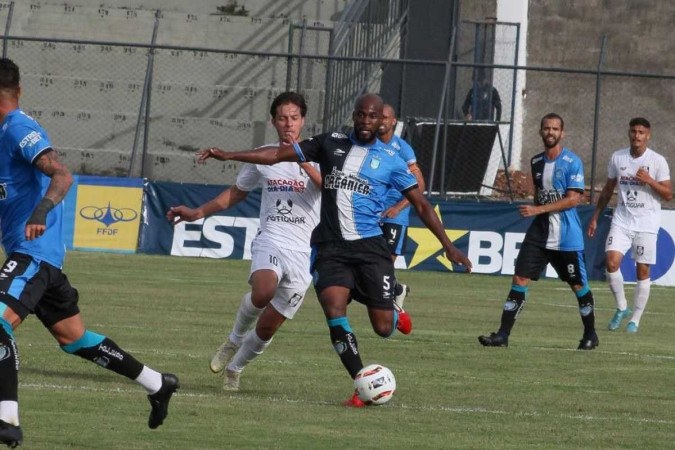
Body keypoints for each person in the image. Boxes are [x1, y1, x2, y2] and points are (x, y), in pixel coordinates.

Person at [197, 93, 472, 407]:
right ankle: (361, 384)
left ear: (382, 120)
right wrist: (229, 154)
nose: (367, 122)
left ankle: (392, 303)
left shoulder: (392, 160)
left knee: (382, 329)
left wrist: (448, 246)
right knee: (334, 312)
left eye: (373, 117)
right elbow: (275, 156)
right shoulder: (329, 143)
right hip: (329, 248)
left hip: (370, 248)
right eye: (361, 115)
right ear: (354, 115)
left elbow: (421, 204)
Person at [0, 58, 178, 448]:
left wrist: (41, 211)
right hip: (34, 254)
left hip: (35, 251)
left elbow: (61, 174)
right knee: (74, 338)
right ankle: (156, 382)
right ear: (21, 88)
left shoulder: (18, 129)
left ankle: (6, 418)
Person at [166, 92, 321, 391]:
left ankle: (235, 369)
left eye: (294, 118)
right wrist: (199, 212)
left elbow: (328, 187)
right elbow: (237, 192)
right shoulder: (263, 157)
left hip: (303, 252)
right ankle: (233, 339)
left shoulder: (321, 155)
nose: (288, 124)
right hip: (272, 239)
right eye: (282, 118)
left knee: (267, 327)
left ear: (303, 120)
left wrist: (302, 160)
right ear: (273, 121)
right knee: (263, 292)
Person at [478, 113, 598, 350]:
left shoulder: (572, 162)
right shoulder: (536, 162)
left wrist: (538, 209)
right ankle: (502, 335)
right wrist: (538, 211)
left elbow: (574, 199)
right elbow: (540, 194)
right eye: (546, 128)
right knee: (520, 278)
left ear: (562, 133)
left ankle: (591, 334)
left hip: (566, 236)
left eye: (555, 128)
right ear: (541, 131)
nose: (550, 132)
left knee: (578, 285)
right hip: (540, 233)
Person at [587, 118, 672, 333]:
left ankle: (635, 319)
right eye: (634, 131)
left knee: (642, 271)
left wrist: (650, 181)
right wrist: (596, 216)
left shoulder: (658, 161)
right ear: (629, 133)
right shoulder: (618, 157)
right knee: (611, 262)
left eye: (641, 132)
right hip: (622, 220)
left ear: (648, 135)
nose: (637, 136)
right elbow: (608, 189)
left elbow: (668, 195)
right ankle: (621, 307)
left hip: (647, 223)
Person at [377, 104, 426, 309]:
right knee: (371, 267)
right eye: (378, 117)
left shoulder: (402, 149)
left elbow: (419, 185)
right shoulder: (367, 145)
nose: (381, 121)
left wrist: (399, 207)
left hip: (395, 217)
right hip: (371, 214)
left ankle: (393, 310)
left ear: (394, 121)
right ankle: (397, 290)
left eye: (385, 117)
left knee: (384, 266)